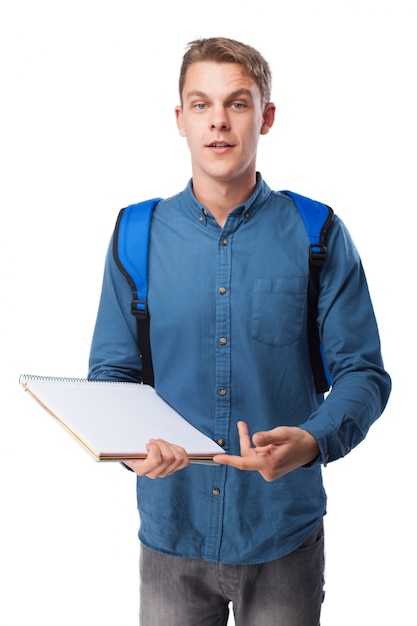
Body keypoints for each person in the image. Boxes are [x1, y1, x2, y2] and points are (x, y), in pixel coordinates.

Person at [88, 37, 391, 626]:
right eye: (200, 105)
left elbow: (363, 373)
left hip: (283, 534)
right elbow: (112, 375)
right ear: (180, 119)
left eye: (238, 103)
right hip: (172, 533)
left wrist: (313, 441)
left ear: (266, 116)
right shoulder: (136, 233)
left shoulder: (317, 233)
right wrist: (136, 451)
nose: (219, 122)